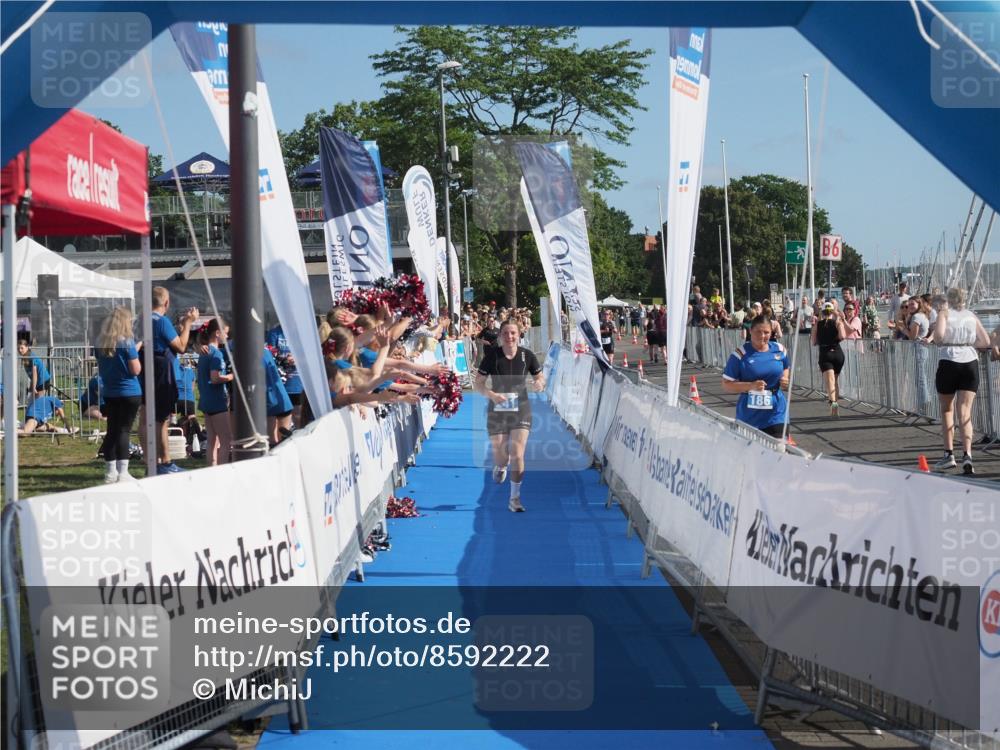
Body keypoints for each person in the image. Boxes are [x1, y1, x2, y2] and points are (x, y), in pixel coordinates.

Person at [474, 319, 545, 513]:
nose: (509, 336)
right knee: (502, 457)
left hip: (521, 408)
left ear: (519, 334)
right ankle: (500, 467)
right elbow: (478, 383)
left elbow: (540, 377)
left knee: (517, 454)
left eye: (513, 333)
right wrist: (492, 395)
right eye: (505, 333)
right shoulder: (492, 356)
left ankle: (514, 498)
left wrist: (539, 384)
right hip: (498, 408)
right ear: (500, 336)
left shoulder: (527, 355)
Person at [931, 288, 991, 474]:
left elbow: (938, 337)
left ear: (948, 300)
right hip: (970, 361)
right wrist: (969, 344)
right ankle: (968, 455)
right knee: (965, 413)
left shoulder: (944, 313)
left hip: (949, 360)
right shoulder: (971, 316)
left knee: (947, 409)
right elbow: (985, 341)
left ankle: (948, 454)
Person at [146, 287, 199, 474]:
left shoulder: (141, 320)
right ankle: (165, 462)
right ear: (166, 303)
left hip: (147, 372)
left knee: (148, 419)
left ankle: (151, 462)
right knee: (161, 420)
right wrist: (188, 324)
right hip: (162, 373)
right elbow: (181, 346)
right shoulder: (162, 321)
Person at [721, 315, 790, 439]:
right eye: (758, 332)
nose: (762, 336)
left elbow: (785, 367)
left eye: (766, 332)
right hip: (749, 415)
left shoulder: (780, 350)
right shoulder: (740, 355)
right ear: (750, 331)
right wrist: (751, 386)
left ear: (771, 332)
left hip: (777, 412)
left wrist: (785, 379)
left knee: (779, 448)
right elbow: (726, 384)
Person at [95, 307, 143, 482]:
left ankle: (110, 472)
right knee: (124, 431)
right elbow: (135, 369)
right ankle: (123, 472)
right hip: (129, 392)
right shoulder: (127, 342)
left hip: (110, 392)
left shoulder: (100, 342)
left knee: (112, 430)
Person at [197, 317, 233, 466]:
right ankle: (222, 471)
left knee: (212, 439)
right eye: (226, 333)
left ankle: (211, 468)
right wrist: (231, 377)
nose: (227, 336)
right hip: (216, 401)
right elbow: (215, 378)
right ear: (218, 333)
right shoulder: (216, 354)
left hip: (206, 400)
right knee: (226, 441)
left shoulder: (205, 352)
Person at [811, 301, 847, 416]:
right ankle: (835, 405)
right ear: (832, 312)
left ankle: (834, 404)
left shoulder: (817, 325)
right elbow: (843, 336)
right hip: (837, 353)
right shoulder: (837, 322)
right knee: (835, 381)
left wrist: (822, 338)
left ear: (822, 312)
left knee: (830, 382)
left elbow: (813, 342)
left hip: (825, 353)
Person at [265, 323, 305, 426]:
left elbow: (310, 356)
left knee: (299, 418)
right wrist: (284, 360)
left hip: (298, 385)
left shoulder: (302, 333)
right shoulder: (274, 333)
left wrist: (298, 359)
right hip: (281, 385)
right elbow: (269, 357)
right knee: (280, 421)